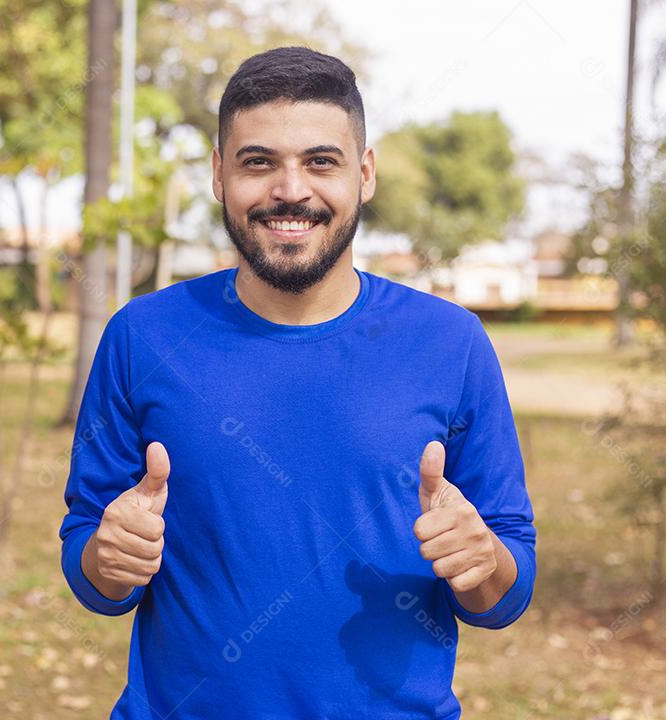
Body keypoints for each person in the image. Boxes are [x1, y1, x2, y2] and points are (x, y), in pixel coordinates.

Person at [58, 45, 537, 720]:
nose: (290, 190)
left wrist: (481, 557)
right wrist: (109, 559)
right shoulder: (143, 337)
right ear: (220, 175)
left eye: (321, 161)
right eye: (259, 162)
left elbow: (507, 589)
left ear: (364, 174)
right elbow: (91, 563)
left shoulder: (451, 343)